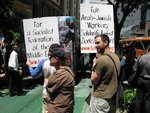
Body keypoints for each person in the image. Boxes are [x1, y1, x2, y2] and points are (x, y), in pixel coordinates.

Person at [26, 43, 61, 113]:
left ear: (49, 52)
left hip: (47, 91)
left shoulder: (43, 62)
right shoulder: (61, 63)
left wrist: (29, 66)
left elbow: (33, 74)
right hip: (58, 92)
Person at [90, 34, 120, 113]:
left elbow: (93, 81)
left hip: (100, 99)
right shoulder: (116, 56)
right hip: (111, 98)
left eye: (98, 43)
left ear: (106, 42)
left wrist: (94, 65)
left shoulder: (101, 60)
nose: (95, 45)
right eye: (95, 43)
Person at [45, 48, 75, 113]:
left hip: (58, 110)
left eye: (51, 57)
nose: (49, 58)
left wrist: (47, 80)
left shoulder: (61, 74)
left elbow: (49, 83)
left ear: (56, 59)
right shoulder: (67, 70)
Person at [134, 45, 150, 113]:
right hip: (149, 81)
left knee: (138, 99)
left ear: (147, 50)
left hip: (140, 79)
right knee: (148, 100)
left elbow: (134, 69)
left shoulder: (141, 58)